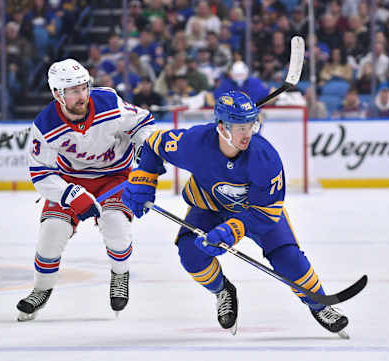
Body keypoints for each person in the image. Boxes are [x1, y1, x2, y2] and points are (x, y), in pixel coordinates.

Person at [121, 91, 349, 336]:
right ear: (221, 127)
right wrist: (144, 178)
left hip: (256, 211)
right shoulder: (194, 143)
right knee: (191, 254)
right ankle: (223, 291)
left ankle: (318, 304)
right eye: (240, 126)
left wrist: (234, 229)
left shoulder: (265, 157)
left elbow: (267, 211)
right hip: (209, 206)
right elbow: (153, 145)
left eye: (251, 124)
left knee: (288, 259)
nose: (247, 133)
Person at [16, 59, 156, 321]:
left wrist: (144, 148)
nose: (82, 95)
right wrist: (70, 195)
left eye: (83, 87)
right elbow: (41, 173)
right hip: (70, 181)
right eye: (73, 91)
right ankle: (41, 289)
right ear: (58, 94)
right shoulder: (45, 125)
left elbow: (143, 123)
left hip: (116, 177)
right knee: (51, 233)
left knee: (116, 225)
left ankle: (120, 274)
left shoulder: (109, 102)